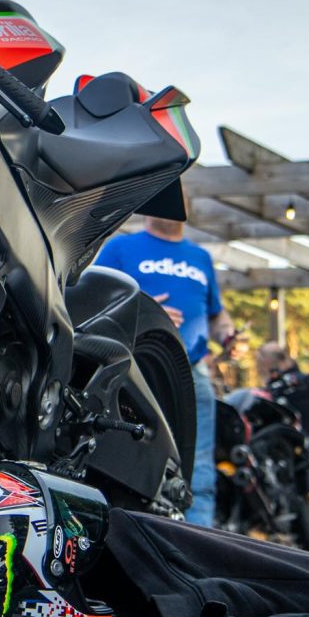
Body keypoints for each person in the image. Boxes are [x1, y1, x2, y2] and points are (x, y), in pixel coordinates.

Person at [93, 214, 235, 527]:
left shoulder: (200, 257)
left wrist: (227, 334)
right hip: (137, 373)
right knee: (133, 465)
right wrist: (146, 308)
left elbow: (217, 315)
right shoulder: (121, 248)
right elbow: (93, 297)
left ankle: (198, 553)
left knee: (199, 473)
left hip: (194, 374)